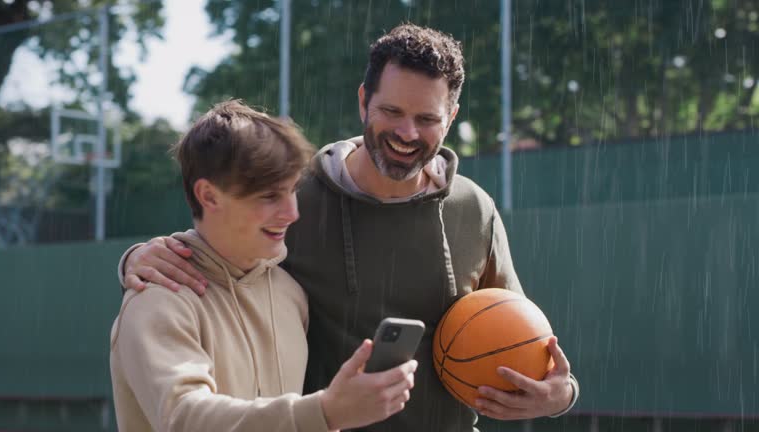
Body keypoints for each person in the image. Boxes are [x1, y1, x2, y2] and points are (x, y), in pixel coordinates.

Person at [118, 24, 579, 431]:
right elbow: (220, 247)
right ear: (363, 100)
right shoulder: (299, 199)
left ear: (451, 118)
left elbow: (523, 337)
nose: (407, 133)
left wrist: (561, 395)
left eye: (426, 119)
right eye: (392, 112)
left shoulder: (473, 210)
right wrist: (138, 259)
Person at [109, 100, 418, 432]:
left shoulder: (291, 294)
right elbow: (185, 419)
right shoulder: (158, 300)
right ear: (209, 197)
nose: (291, 213)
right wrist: (326, 412)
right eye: (269, 196)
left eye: (292, 191)